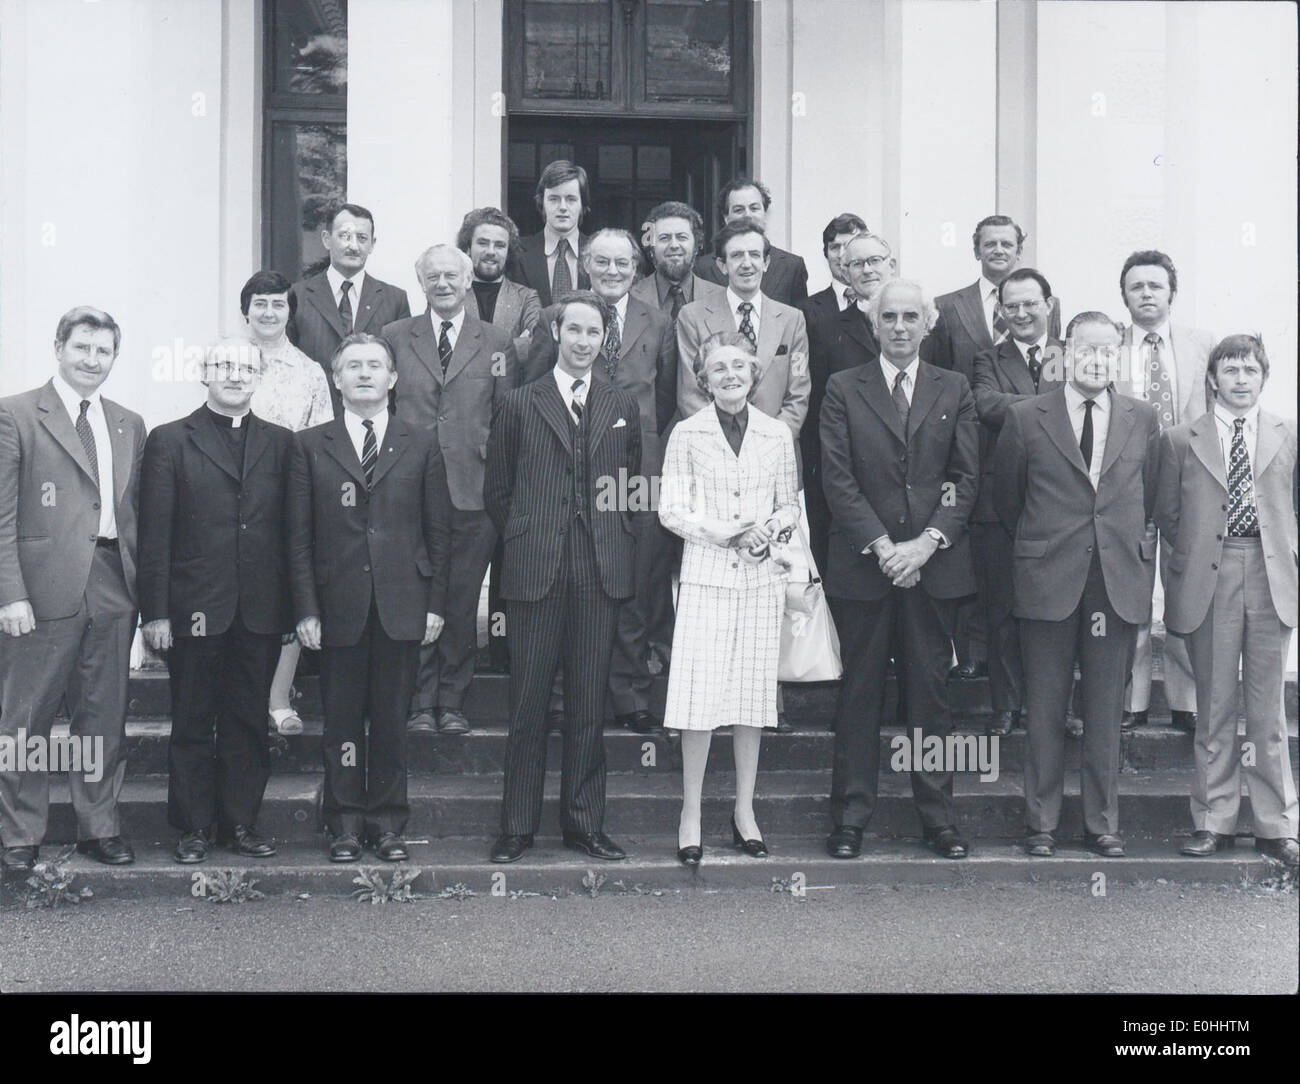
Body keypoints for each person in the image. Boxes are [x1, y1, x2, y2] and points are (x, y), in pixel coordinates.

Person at [820, 281, 979, 861]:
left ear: (929, 322)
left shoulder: (953, 387)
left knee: (930, 698)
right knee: (858, 693)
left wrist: (926, 544)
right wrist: (887, 547)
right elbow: (836, 477)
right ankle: (850, 818)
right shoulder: (842, 387)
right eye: (890, 316)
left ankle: (938, 818)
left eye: (912, 316)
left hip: (933, 569)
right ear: (872, 321)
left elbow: (965, 478)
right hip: (866, 567)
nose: (901, 326)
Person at [992, 312, 1160, 859]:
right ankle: (1040, 824)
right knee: (1043, 705)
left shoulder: (1143, 418)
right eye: (1086, 349)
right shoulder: (1025, 417)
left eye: (1108, 350)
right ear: (1065, 353)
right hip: (1048, 578)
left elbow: (1150, 495)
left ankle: (1101, 824)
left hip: (1114, 581)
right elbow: (1007, 500)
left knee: (1105, 708)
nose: (1096, 359)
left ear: (1120, 357)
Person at [484, 291, 641, 865]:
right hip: (536, 569)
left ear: (604, 340)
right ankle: (517, 825)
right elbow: (498, 491)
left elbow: (631, 485)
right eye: (573, 329)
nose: (582, 341)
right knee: (527, 703)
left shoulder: (622, 403)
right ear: (557, 333)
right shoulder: (521, 402)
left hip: (599, 569)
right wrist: (532, 534)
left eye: (593, 332)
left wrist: (609, 539)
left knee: (587, 702)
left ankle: (583, 823)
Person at [288, 333, 452, 862]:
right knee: (340, 721)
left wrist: (436, 605)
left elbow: (440, 532)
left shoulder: (421, 441)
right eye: (353, 366)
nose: (364, 373)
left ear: (392, 378)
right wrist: (306, 609)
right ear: (336, 379)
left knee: (389, 721)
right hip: (337, 607)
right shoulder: (310, 445)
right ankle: (343, 823)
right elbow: (299, 538)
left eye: (374, 366)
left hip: (402, 603)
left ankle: (386, 824)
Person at [0, 307, 147, 871]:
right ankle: (19, 833)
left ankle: (98, 826)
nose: (92, 360)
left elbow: (130, 514)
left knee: (103, 714)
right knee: (26, 717)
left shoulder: (127, 422)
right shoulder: (16, 415)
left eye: (103, 351)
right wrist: (10, 592)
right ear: (58, 347)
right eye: (82, 347)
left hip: (112, 584)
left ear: (115, 357)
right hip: (38, 591)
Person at [139, 339, 295, 863]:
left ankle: (240, 823)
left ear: (260, 376)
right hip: (193, 605)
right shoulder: (169, 441)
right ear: (204, 373)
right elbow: (156, 533)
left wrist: (294, 608)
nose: (234, 374)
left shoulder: (281, 443)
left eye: (245, 367)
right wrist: (154, 612)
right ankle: (193, 827)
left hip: (260, 608)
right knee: (191, 718)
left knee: (248, 718)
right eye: (224, 365)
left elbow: (292, 534)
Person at [523, 230, 676, 734]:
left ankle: (630, 692)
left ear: (637, 266)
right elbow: (537, 390)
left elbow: (670, 395)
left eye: (624, 263)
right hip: (569, 464)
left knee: (634, 577)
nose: (613, 271)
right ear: (586, 265)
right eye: (603, 262)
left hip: (638, 468)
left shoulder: (659, 319)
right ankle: (566, 694)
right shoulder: (556, 318)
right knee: (572, 575)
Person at [1155, 334, 1298, 867]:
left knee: (1268, 712)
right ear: (1212, 378)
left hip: (1269, 573)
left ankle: (1275, 824)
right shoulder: (1178, 439)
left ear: (1264, 377)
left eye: (1250, 370)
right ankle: (1212, 818)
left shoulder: (1288, 435)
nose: (1241, 379)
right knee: (1213, 707)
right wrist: (1194, 556)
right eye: (1230, 369)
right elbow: (1167, 512)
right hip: (1209, 576)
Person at [659, 333, 801, 866]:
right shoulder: (687, 434)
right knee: (698, 701)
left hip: (761, 582)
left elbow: (789, 504)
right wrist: (728, 532)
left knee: (750, 698)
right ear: (703, 378)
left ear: (754, 374)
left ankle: (745, 810)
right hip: (707, 578)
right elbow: (671, 511)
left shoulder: (776, 435)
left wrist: (769, 529)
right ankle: (690, 813)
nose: (730, 375)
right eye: (719, 368)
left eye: (740, 366)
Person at [383, 244, 519, 737]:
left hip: (474, 487)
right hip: (409, 486)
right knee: (416, 592)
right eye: (433, 276)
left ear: (467, 283)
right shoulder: (395, 337)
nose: (443, 284)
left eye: (451, 276)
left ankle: (453, 700)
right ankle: (419, 702)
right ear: (421, 282)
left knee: (462, 598)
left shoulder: (498, 342)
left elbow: (505, 415)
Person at [926, 215, 1061, 684]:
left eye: (1007, 243)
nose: (998, 250)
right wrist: (1048, 407)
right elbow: (962, 392)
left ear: (1019, 249)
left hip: (1047, 473)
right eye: (989, 243)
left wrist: (1029, 407)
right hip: (978, 459)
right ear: (976, 249)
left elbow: (1068, 391)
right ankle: (976, 658)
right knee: (983, 575)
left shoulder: (1047, 318)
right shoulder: (948, 307)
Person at [1117, 249, 1214, 733]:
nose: (1147, 294)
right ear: (1125, 296)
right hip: (1130, 487)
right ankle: (1131, 702)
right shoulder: (1109, 346)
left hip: (1186, 487)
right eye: (1137, 287)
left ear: (1171, 292)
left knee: (1185, 594)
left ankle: (1185, 701)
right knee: (1132, 597)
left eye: (1155, 285)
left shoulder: (1201, 344)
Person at [969, 268, 1065, 736]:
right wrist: (1050, 409)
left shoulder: (1068, 357)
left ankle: (1054, 708)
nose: (1022, 313)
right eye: (1013, 306)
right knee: (1002, 607)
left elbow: (1084, 403)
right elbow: (985, 404)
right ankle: (1006, 705)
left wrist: (1023, 409)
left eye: (1031, 303)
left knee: (1056, 610)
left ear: (1048, 304)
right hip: (999, 502)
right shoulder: (988, 358)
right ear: (1001, 311)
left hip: (1058, 502)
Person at [242, 269, 334, 737]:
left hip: (288, 494)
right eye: (261, 303)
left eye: (278, 303)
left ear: (289, 312)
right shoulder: (227, 360)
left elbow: (321, 439)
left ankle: (278, 697)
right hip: (232, 495)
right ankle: (238, 697)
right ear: (246, 310)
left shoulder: (311, 371)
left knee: (287, 592)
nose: (270, 312)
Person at [676, 218, 810, 449]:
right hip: (714, 452)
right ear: (722, 265)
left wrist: (772, 441)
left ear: (766, 262)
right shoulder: (692, 317)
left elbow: (798, 392)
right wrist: (724, 444)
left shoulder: (792, 319)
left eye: (755, 255)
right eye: (737, 255)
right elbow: (690, 393)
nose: (747, 264)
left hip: (776, 451)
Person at [288, 202, 412, 415]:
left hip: (373, 423)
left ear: (372, 244)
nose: (353, 246)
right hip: (313, 421)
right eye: (344, 236)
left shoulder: (395, 299)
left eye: (362, 238)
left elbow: (401, 371)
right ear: (327, 239)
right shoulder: (297, 295)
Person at [800, 214, 870, 573]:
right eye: (835, 247)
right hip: (829, 441)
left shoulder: (891, 309)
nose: (843, 255)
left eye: (852, 246)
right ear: (825, 254)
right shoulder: (808, 310)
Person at [694, 177, 809, 305]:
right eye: (739, 210)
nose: (747, 215)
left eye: (754, 208)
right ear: (726, 218)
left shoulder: (792, 267)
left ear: (765, 213)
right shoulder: (703, 269)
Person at [456, 207, 542, 359]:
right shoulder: (451, 293)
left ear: (509, 252)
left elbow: (537, 345)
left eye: (500, 245)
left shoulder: (527, 298)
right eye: (483, 243)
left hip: (511, 383)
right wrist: (512, 346)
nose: (491, 251)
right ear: (468, 248)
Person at [507, 160, 592, 307]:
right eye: (554, 199)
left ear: (582, 204)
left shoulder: (597, 252)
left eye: (571, 199)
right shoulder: (518, 252)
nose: (563, 207)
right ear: (542, 202)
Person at [630, 201, 726, 321]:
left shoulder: (721, 298)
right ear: (652, 247)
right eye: (664, 238)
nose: (674, 245)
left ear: (696, 244)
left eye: (682, 237)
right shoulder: (631, 296)